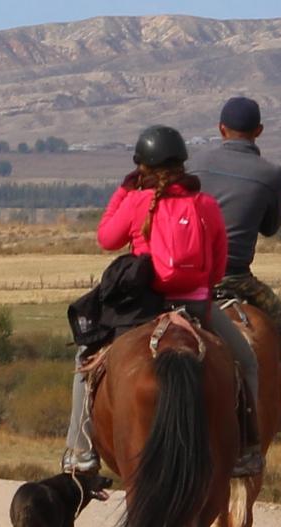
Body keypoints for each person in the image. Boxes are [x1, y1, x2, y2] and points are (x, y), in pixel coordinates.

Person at [63, 127, 263, 482]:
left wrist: (124, 192)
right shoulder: (206, 205)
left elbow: (106, 238)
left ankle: (81, 453)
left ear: (143, 168)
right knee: (246, 361)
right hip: (198, 306)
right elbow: (216, 268)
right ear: (182, 164)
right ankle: (247, 448)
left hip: (143, 308)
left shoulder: (138, 202)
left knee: (84, 361)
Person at [193, 95, 281, 364]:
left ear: (220, 129)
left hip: (187, 273)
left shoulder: (194, 164)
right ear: (258, 131)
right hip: (234, 277)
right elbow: (270, 228)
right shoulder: (272, 174)